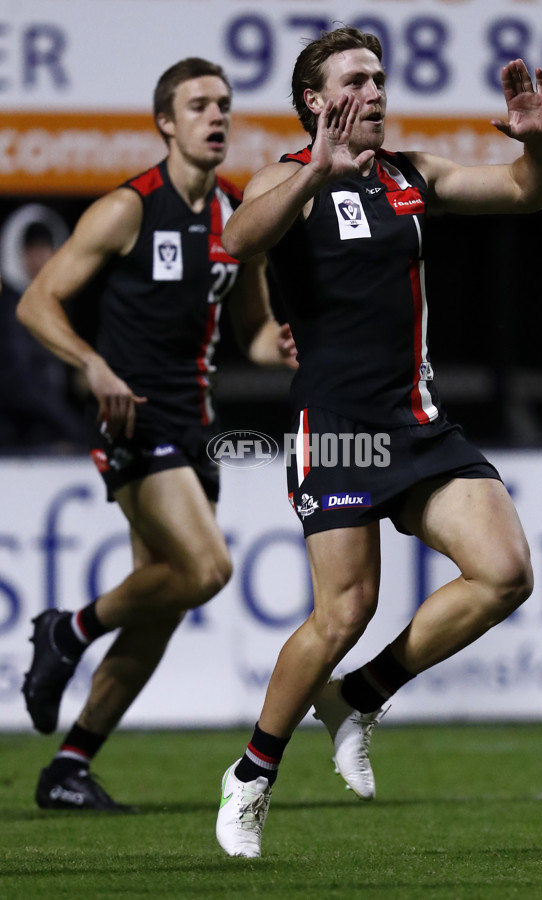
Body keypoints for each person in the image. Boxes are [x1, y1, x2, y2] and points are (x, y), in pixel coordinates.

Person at [215, 26, 542, 857]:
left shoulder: (410, 176)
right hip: (338, 434)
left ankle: (358, 695)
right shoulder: (287, 179)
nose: (375, 92)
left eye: (379, 78)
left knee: (506, 571)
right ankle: (251, 777)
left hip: (416, 424)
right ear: (315, 102)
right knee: (345, 608)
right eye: (356, 81)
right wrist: (313, 182)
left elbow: (525, 192)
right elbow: (238, 241)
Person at [18, 57, 296, 811]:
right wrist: (93, 364)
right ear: (166, 124)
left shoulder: (240, 221)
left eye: (225, 105)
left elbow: (256, 335)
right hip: (132, 418)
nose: (217, 116)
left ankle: (68, 769)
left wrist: (292, 345)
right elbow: (37, 304)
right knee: (207, 569)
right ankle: (65, 630)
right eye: (199, 104)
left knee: (161, 607)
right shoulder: (127, 208)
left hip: (195, 427)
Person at [0, 222, 85, 449]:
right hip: (17, 434)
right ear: (21, 255)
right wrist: (72, 427)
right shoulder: (9, 307)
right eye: (33, 252)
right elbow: (19, 383)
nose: (39, 259)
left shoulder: (57, 304)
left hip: (50, 428)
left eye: (45, 250)